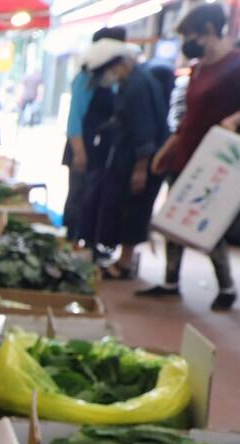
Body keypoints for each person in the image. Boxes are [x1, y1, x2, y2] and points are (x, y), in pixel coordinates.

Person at [141, 4, 240, 309]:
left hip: (216, 157)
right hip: (186, 152)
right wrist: (169, 147)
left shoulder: (238, 63)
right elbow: (189, 117)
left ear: (209, 29)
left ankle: (226, 286)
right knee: (175, 215)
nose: (189, 43)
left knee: (207, 220)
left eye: (192, 35)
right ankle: (170, 280)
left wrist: (235, 119)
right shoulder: (198, 68)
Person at [80, 40, 171, 279]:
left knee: (133, 210)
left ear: (118, 64)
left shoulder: (137, 86)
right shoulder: (132, 81)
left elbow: (145, 132)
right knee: (124, 207)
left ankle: (125, 264)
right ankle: (122, 259)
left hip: (141, 162)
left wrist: (140, 170)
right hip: (128, 159)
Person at [64, 27, 129, 244]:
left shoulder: (111, 80)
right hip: (82, 146)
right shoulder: (86, 78)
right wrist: (79, 152)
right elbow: (75, 118)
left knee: (95, 197)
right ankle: (71, 241)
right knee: (78, 195)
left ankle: (89, 242)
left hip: (102, 148)